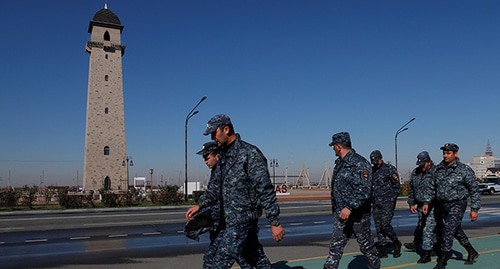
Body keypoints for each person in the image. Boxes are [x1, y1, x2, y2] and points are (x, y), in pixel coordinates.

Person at [186, 114, 285, 269]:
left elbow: (264, 189)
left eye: (214, 133)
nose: (213, 138)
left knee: (217, 262)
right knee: (252, 260)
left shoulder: (249, 153)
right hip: (225, 221)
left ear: (226, 129)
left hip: (243, 220)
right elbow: (214, 189)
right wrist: (200, 205)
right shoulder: (223, 157)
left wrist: (274, 222)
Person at [324, 132, 380, 269]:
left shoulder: (360, 163)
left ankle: (375, 266)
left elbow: (364, 190)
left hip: (358, 216)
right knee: (335, 248)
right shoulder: (340, 164)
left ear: (338, 146)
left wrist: (349, 207)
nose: (333, 149)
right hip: (341, 216)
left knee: (366, 247)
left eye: (333, 146)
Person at [433, 143, 480, 269]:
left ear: (455, 154)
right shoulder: (438, 169)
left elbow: (474, 190)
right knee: (456, 231)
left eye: (448, 153)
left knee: (448, 230)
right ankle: (472, 251)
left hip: (458, 204)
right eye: (444, 153)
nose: (445, 155)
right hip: (443, 205)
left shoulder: (464, 170)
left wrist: (474, 209)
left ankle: (442, 262)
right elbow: (433, 187)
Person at [369, 150, 402, 258]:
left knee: (385, 224)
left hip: (387, 202)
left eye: (375, 160)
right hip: (376, 202)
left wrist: (392, 199)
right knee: (378, 226)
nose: (374, 163)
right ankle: (383, 249)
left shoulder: (389, 169)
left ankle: (396, 242)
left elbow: (397, 186)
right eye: (372, 161)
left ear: (380, 158)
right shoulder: (372, 170)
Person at [406, 151, 437, 263]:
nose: (421, 167)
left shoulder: (436, 172)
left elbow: (436, 190)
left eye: (423, 164)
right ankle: (434, 247)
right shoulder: (416, 172)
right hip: (420, 205)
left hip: (433, 205)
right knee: (422, 226)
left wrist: (427, 202)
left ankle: (426, 254)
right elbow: (411, 189)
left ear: (429, 162)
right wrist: (411, 203)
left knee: (427, 229)